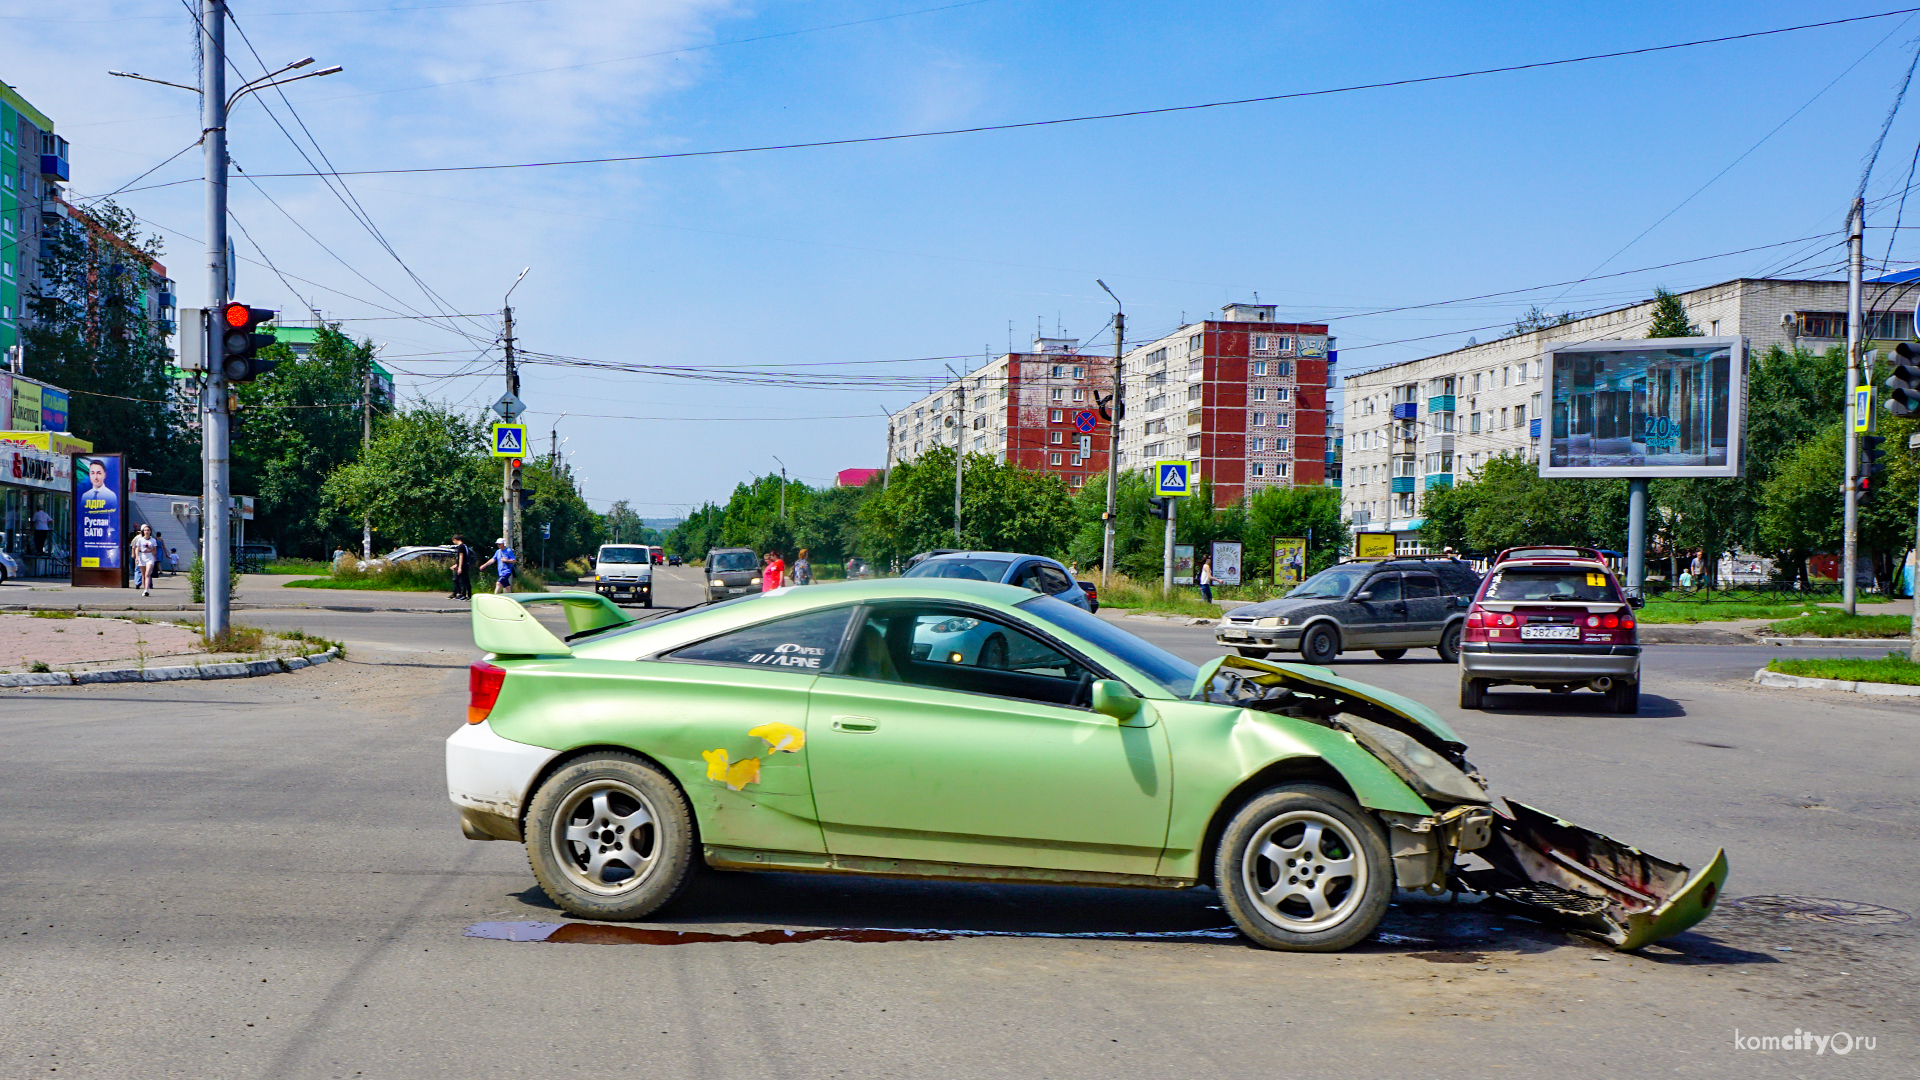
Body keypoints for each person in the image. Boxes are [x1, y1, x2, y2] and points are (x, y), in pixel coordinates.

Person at [130, 523, 158, 595]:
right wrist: (136, 557)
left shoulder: (153, 540)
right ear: (143, 531)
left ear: (150, 531)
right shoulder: (140, 539)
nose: (146, 532)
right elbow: (136, 548)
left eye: (148, 530)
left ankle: (146, 590)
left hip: (149, 556)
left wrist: (150, 549)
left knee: (147, 574)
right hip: (142, 556)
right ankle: (144, 588)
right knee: (143, 574)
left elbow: (154, 551)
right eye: (145, 530)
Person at [449, 533, 472, 600]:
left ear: (455, 540)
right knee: (457, 579)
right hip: (462, 565)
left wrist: (459, 567)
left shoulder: (461, 547)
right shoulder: (465, 546)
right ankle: (457, 593)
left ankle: (463, 594)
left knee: (462, 580)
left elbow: (461, 557)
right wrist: (456, 565)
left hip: (462, 566)